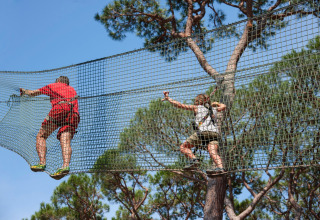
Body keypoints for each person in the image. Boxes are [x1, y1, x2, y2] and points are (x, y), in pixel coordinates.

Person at [20, 76, 80, 180]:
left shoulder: (53, 86)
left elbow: (32, 93)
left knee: (41, 136)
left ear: (58, 81)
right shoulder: (72, 89)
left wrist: (24, 91)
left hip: (60, 109)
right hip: (73, 114)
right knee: (65, 139)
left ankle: (42, 163)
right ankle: (65, 166)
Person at [162, 91, 226, 174]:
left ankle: (194, 160)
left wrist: (169, 99)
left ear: (199, 102)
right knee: (212, 151)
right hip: (214, 133)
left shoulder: (197, 107)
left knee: (183, 147)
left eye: (196, 101)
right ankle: (221, 168)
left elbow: (180, 105)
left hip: (203, 132)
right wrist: (216, 103)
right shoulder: (214, 109)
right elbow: (223, 106)